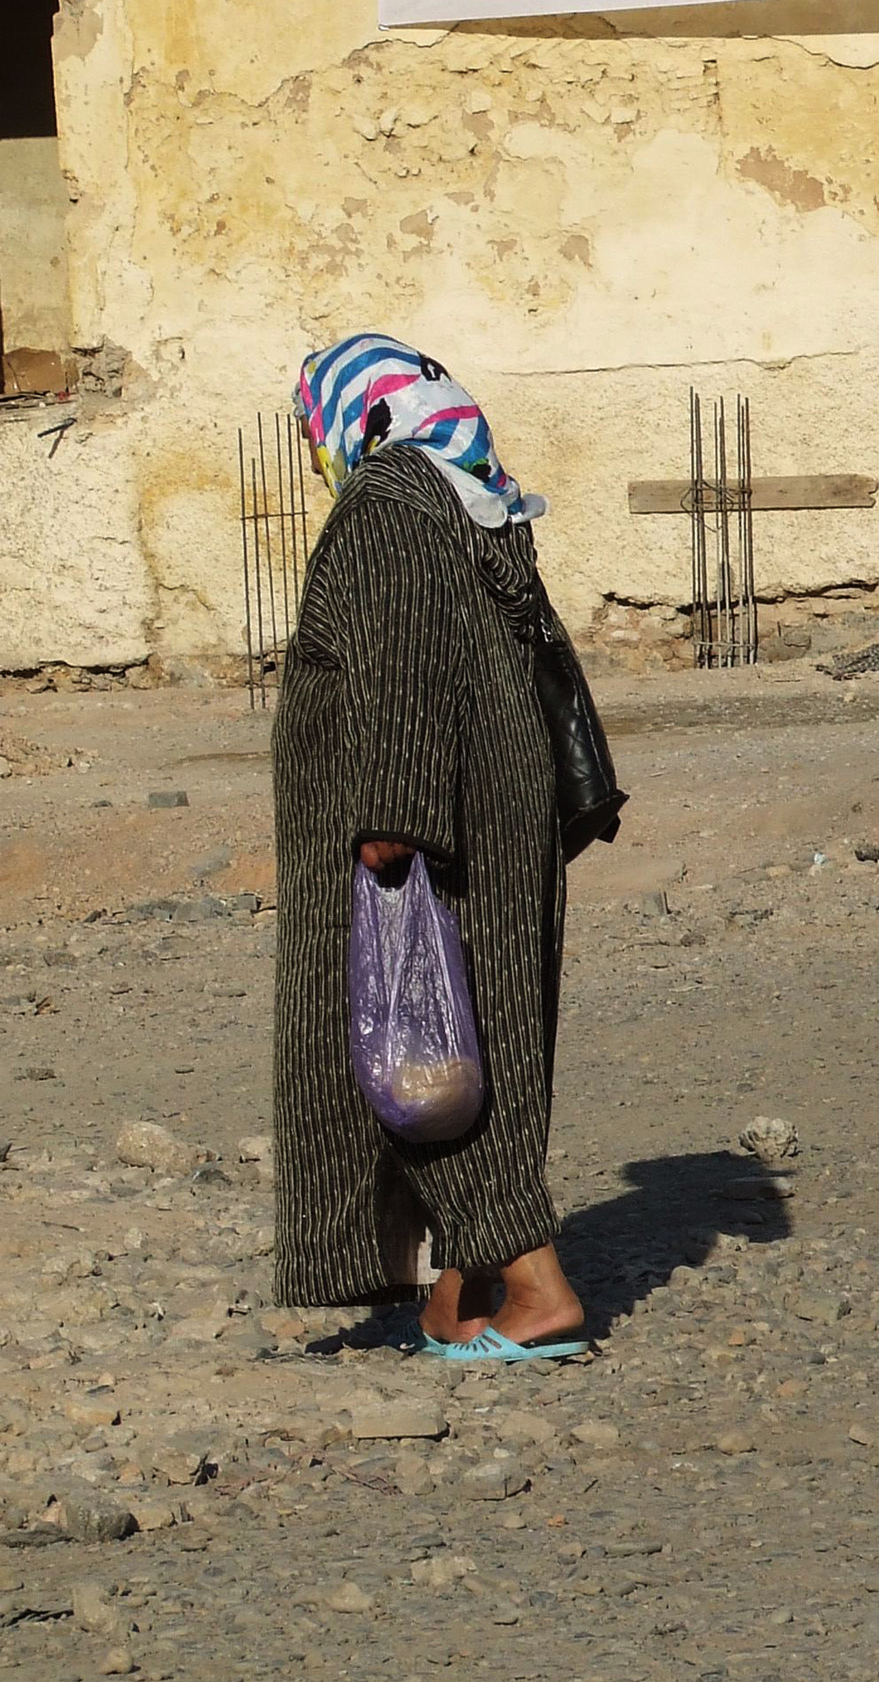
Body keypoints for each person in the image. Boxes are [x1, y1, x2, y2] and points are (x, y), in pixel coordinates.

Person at [272, 332, 589, 1362]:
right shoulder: (470, 494)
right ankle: (462, 1289)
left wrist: (387, 819)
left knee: (421, 1049)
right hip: (493, 811)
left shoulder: (391, 500)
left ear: (358, 418)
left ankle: (535, 1288)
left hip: (424, 826)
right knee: (472, 1028)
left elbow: (399, 655)